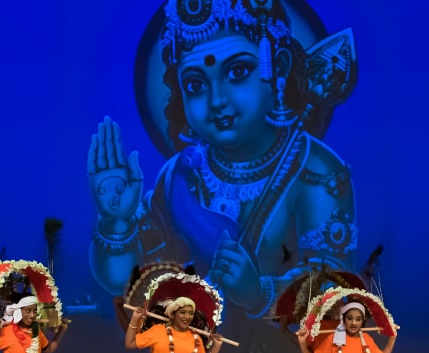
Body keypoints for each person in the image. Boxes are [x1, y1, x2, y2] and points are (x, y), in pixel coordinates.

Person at [87, 0, 358, 319]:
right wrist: (116, 223)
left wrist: (259, 293)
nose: (216, 101)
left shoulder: (316, 173)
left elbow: (336, 296)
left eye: (238, 72)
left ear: (279, 68)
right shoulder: (180, 175)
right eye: (196, 84)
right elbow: (128, 281)